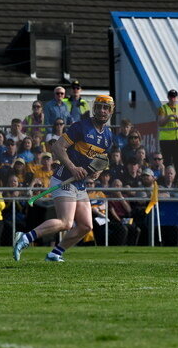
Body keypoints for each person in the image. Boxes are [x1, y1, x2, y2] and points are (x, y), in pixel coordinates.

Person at [13, 94, 116, 263]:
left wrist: (96, 171)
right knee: (66, 222)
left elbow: (99, 159)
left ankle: (54, 254)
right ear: (94, 109)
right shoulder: (81, 126)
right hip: (64, 178)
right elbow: (58, 147)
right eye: (99, 107)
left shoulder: (108, 136)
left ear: (111, 111)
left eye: (106, 108)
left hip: (80, 184)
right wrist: (73, 168)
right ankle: (24, 238)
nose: (102, 111)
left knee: (85, 226)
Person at [157, 89, 178, 173]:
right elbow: (160, 122)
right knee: (167, 162)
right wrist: (169, 116)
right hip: (166, 140)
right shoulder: (163, 108)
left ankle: (176, 180)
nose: (172, 99)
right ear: (168, 97)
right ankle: (168, 181)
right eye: (171, 97)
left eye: (174, 97)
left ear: (177, 98)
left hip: (177, 139)